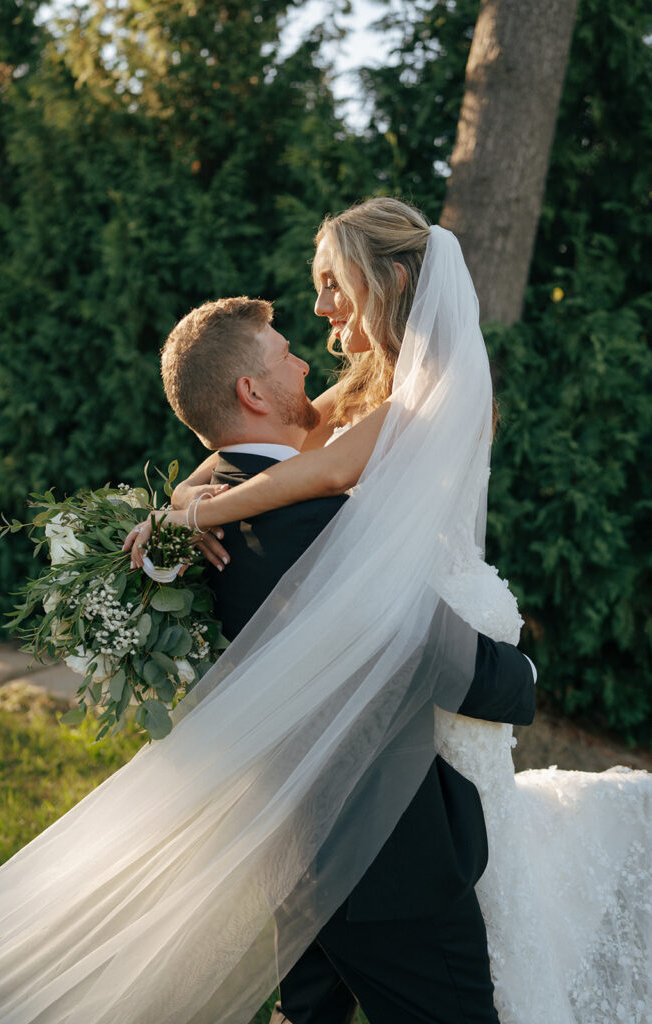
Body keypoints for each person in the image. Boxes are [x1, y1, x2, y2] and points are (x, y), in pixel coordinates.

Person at [127, 197, 651, 1024]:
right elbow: (248, 451)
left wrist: (188, 518)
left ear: (390, 278)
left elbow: (317, 476)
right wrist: (180, 503)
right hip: (399, 701)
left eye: (332, 283)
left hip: (431, 651)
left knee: (477, 899)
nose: (320, 305)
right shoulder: (359, 390)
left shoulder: (435, 393)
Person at [154, 293, 536, 1023]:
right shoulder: (301, 517)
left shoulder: (216, 500)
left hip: (296, 844)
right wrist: (519, 679)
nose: (307, 361)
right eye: (285, 354)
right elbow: (419, 643)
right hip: (381, 856)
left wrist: (180, 500)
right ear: (252, 391)